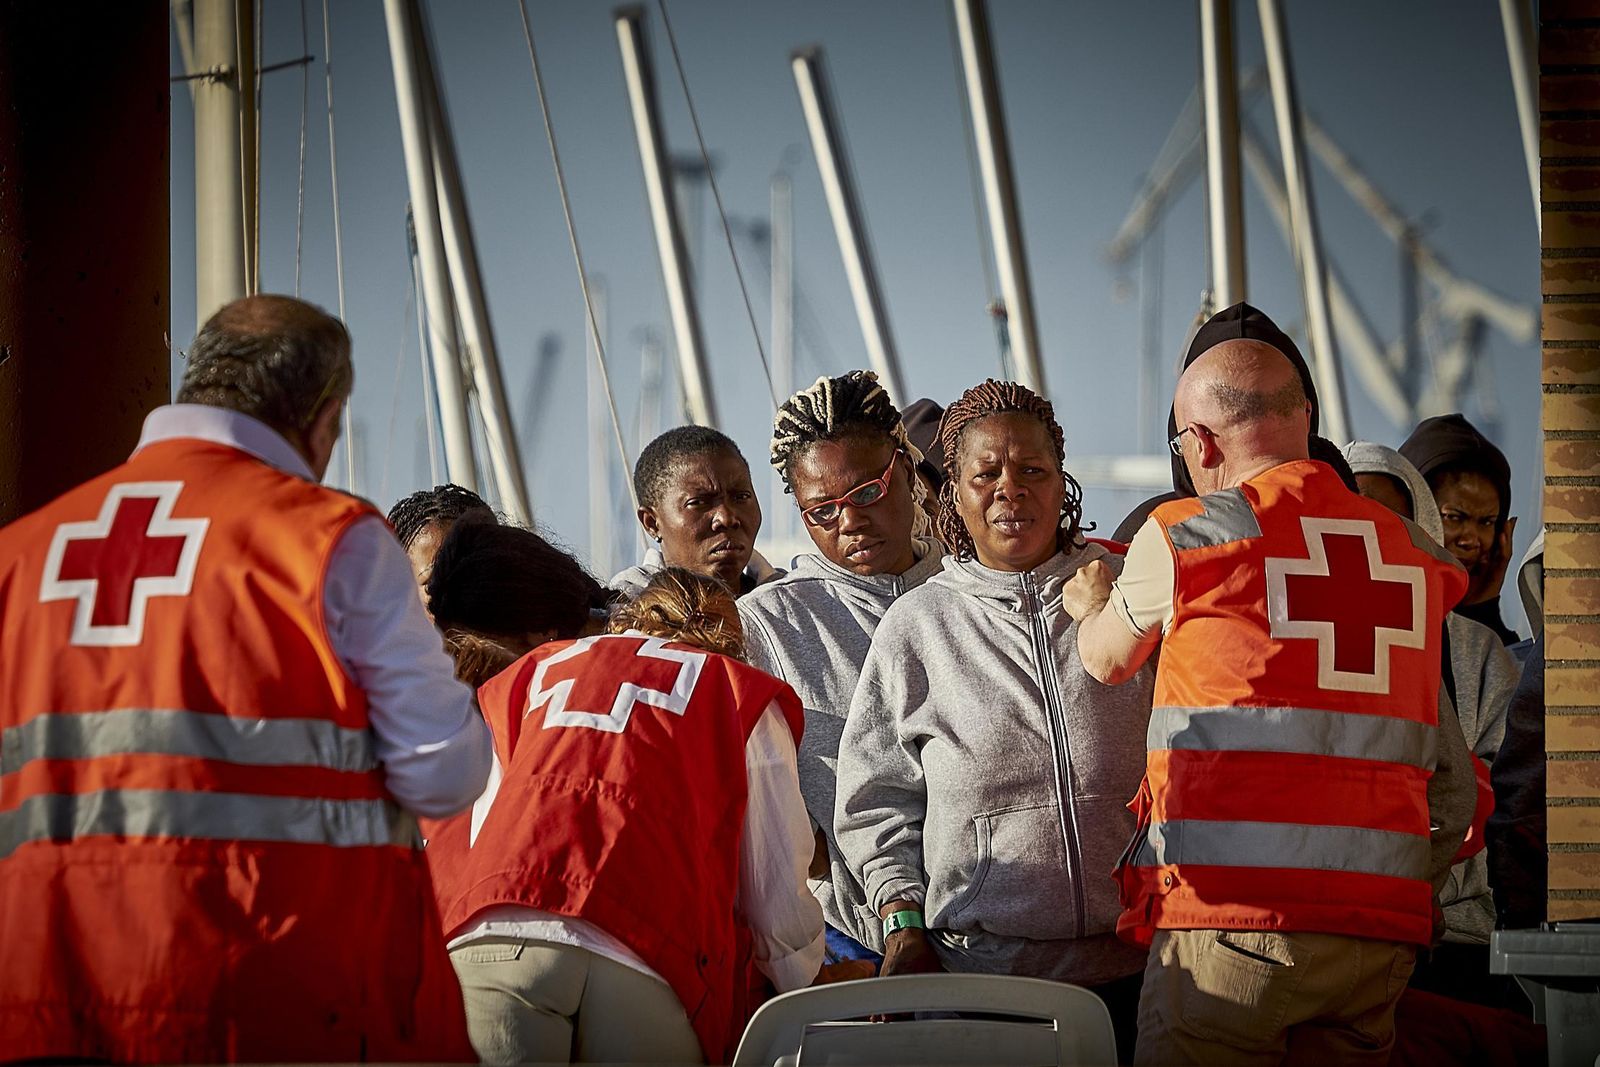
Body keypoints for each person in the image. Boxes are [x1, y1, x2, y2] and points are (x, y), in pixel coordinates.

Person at [0, 295, 492, 1061]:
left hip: (47, 1005)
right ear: (324, 418)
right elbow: (444, 775)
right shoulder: (332, 541)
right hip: (273, 1001)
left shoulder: (18, 557)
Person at [1065, 335, 1480, 1065]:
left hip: (1231, 929)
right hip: (1377, 937)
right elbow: (1448, 774)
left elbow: (1105, 660)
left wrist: (1089, 601)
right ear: (1305, 417)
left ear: (1197, 439)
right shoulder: (1409, 553)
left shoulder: (1191, 535)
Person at [834, 380, 1156, 1056]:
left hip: (1144, 970)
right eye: (986, 473)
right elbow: (876, 803)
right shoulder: (916, 626)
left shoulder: (1130, 599)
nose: (1011, 489)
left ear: (1062, 484)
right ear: (952, 494)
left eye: (1032, 470)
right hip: (980, 984)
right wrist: (903, 924)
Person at [426, 567, 824, 1064]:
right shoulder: (735, 689)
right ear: (734, 643)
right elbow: (776, 900)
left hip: (498, 932)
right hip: (648, 955)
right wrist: (802, 983)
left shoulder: (530, 672)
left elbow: (472, 825)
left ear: (629, 619)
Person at [739, 370, 945, 961]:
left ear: (906, 471)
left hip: (994, 929)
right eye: (821, 510)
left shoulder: (971, 592)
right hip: (852, 940)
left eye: (867, 493)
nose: (848, 521)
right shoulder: (767, 623)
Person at [1343, 442, 1519, 963]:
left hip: (1459, 938)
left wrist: (1425, 894)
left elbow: (1496, 798)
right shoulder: (1288, 636)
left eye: (1389, 516)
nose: (1370, 531)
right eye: (1353, 512)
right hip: (1332, 931)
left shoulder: (1476, 650)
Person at [425, 517, 605, 686]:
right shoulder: (624, 648)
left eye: (480, 659)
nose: (470, 680)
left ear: (540, 630)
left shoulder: (588, 695)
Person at [611, 425, 781, 598]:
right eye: (698, 503)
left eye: (741, 497)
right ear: (652, 523)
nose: (726, 518)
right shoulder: (625, 610)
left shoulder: (798, 598)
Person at [1400, 414, 1520, 645]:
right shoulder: (1382, 623)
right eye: (1454, 517)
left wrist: (1483, 608)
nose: (1471, 539)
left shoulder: (1510, 653)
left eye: (1486, 522)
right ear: (1411, 512)